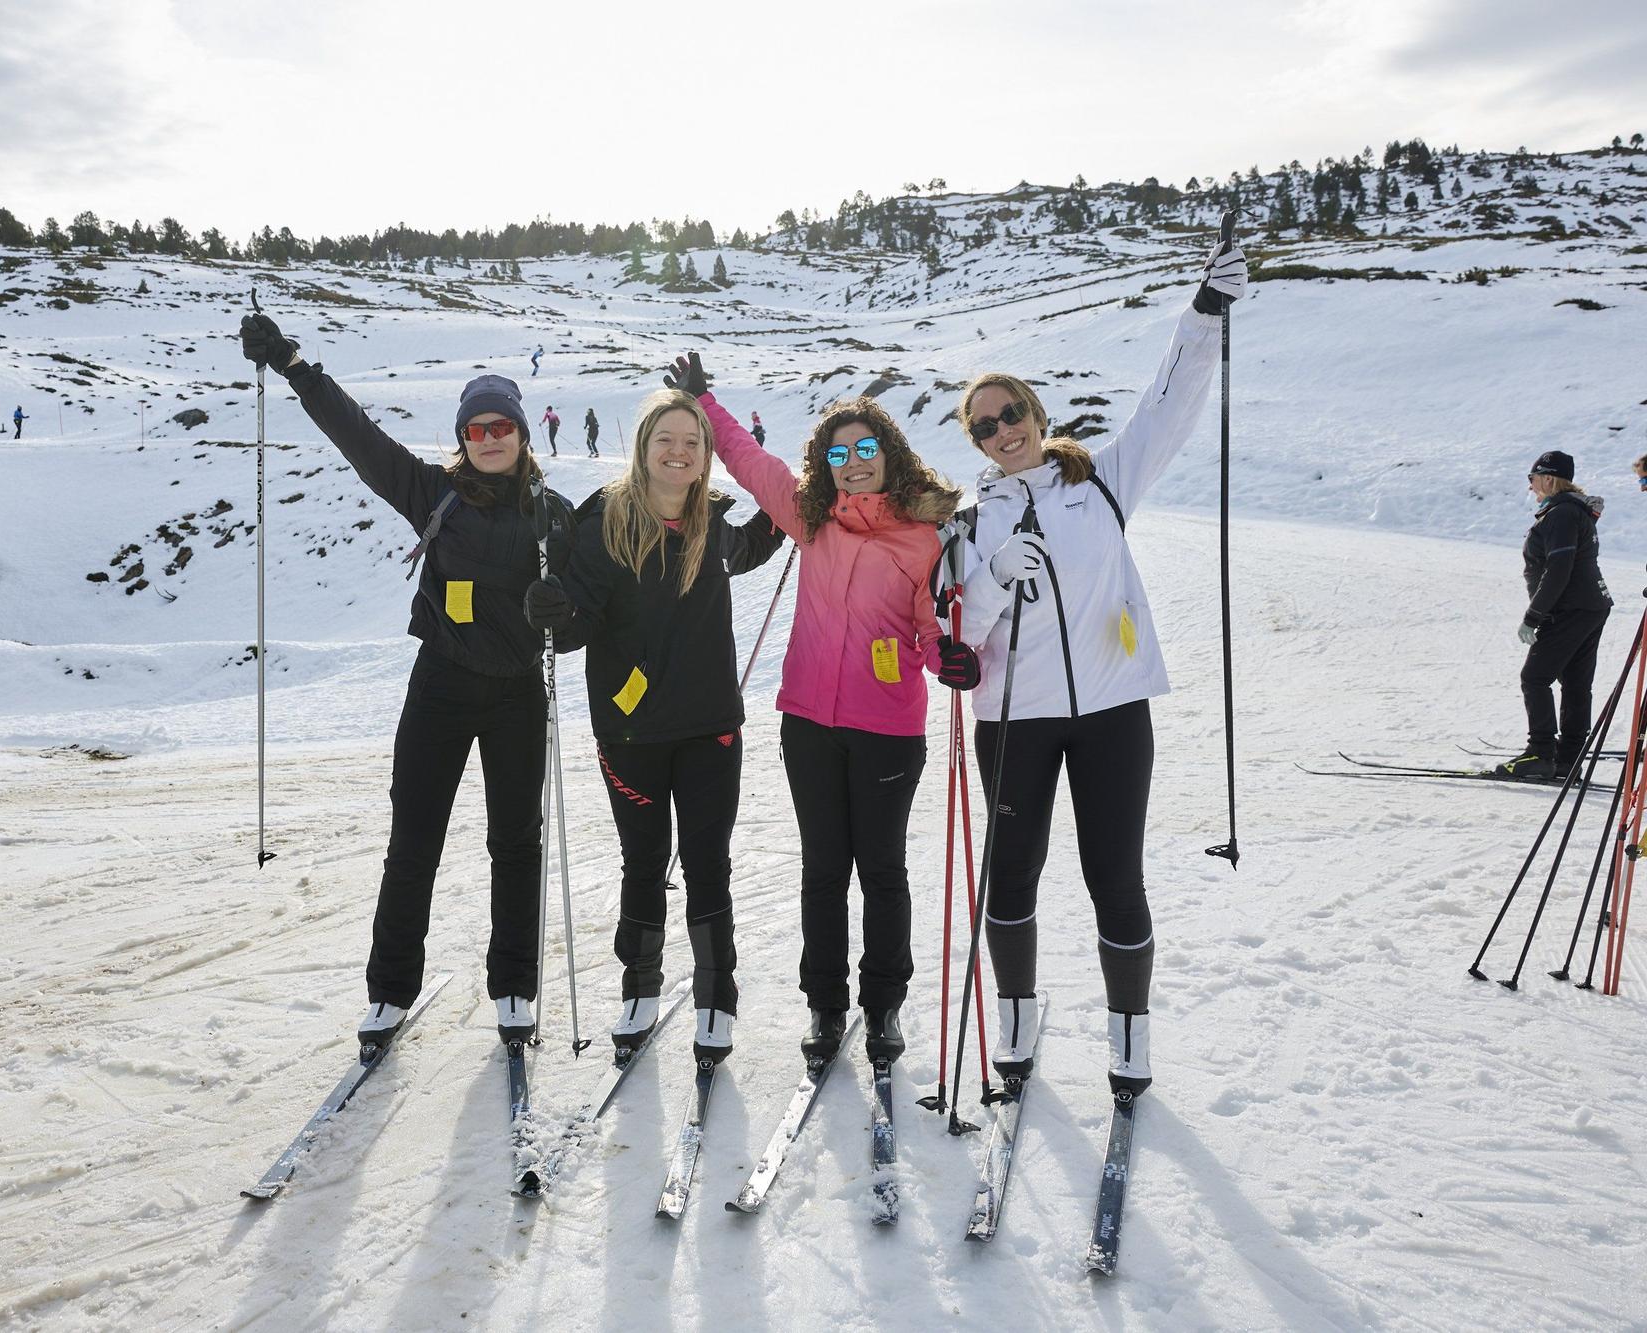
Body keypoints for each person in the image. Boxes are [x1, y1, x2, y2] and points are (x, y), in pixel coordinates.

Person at [938, 235, 1247, 1098]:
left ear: (1036, 413)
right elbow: (956, 634)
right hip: (1011, 719)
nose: (1002, 430)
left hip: (1112, 710)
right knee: (1012, 872)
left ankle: (1129, 1030)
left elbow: (1167, 404)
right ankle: (1017, 1013)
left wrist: (1205, 312)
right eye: (983, 425)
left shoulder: (1102, 482)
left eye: (1010, 413)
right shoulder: (968, 520)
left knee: (1114, 872)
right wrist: (994, 579)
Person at [238, 310, 576, 1048]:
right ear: (462, 438)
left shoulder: (554, 515)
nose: (490, 438)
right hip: (442, 688)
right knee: (414, 836)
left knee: (516, 842)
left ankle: (514, 986)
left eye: (502, 427)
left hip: (519, 692)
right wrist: (296, 365)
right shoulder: (433, 495)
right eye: (476, 429)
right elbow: (359, 437)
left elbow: (586, 613)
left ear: (521, 434)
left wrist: (562, 610)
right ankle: (391, 990)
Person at [682, 353, 966, 1067]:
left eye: (865, 447)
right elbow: (751, 464)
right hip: (808, 723)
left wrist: (948, 660)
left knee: (882, 870)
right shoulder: (811, 518)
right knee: (822, 870)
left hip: (888, 732)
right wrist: (705, 402)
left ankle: (884, 1006)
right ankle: (825, 1004)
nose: (853, 462)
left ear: (888, 452)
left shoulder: (922, 536)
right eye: (838, 453)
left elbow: (929, 629)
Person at [523, 388, 785, 1062]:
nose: (678, 452)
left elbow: (757, 542)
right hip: (630, 734)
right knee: (642, 862)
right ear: (643, 448)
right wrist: (550, 609)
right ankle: (639, 986)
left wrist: (793, 503)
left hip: (709, 729)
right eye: (666, 439)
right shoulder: (603, 523)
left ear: (703, 459)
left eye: (691, 443)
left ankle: (716, 995)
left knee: (707, 864)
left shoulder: (713, 525)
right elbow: (575, 625)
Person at [1495, 451, 1612, 779]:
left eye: (1532, 479)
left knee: (1535, 677)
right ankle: (1570, 759)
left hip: (1571, 608)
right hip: (1590, 606)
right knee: (1575, 683)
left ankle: (1541, 754)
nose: (1530, 487)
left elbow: (1559, 568)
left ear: (1548, 478)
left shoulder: (1561, 513)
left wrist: (1534, 616)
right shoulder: (1572, 511)